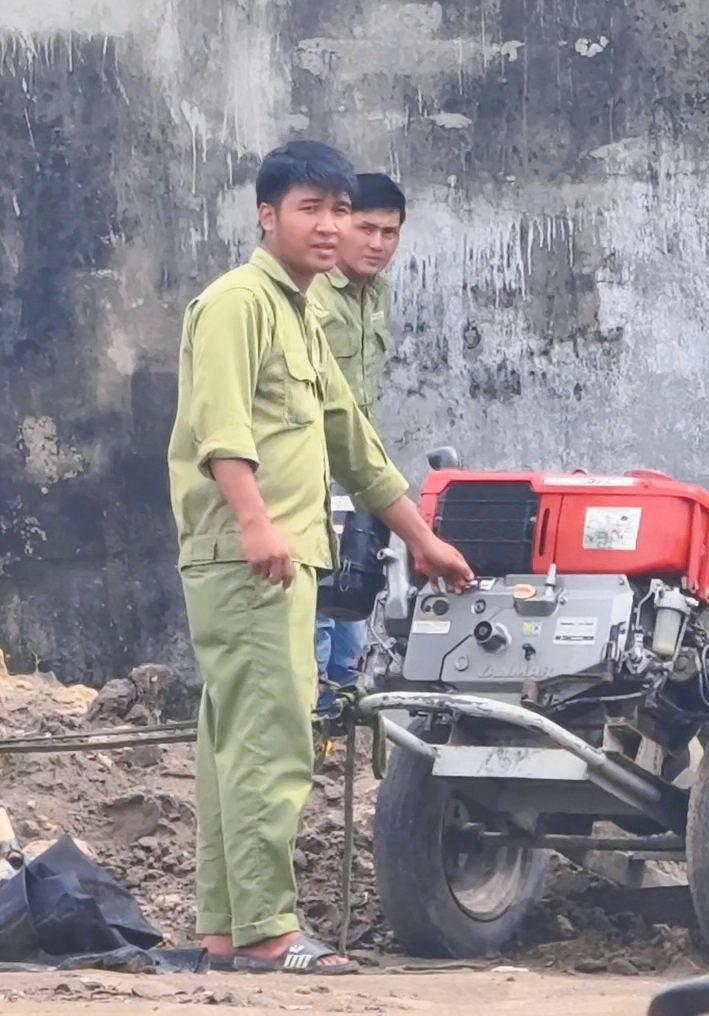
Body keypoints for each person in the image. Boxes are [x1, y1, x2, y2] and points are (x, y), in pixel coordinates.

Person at [166, 140, 474, 973]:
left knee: (237, 740)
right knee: (272, 739)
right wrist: (256, 522)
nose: (333, 227)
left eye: (342, 211)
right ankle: (269, 932)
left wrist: (422, 538)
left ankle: (228, 929)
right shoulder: (237, 304)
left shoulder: (301, 312)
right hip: (252, 555)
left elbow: (354, 443)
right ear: (268, 216)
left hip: (279, 555)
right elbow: (218, 427)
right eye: (313, 208)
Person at [310, 173, 405, 697]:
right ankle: (313, 715)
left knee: (352, 594)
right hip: (307, 471)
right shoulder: (312, 294)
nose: (377, 244)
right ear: (338, 223)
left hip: (354, 472)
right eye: (366, 228)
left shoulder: (378, 297)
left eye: (389, 233)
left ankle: (337, 720)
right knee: (316, 605)